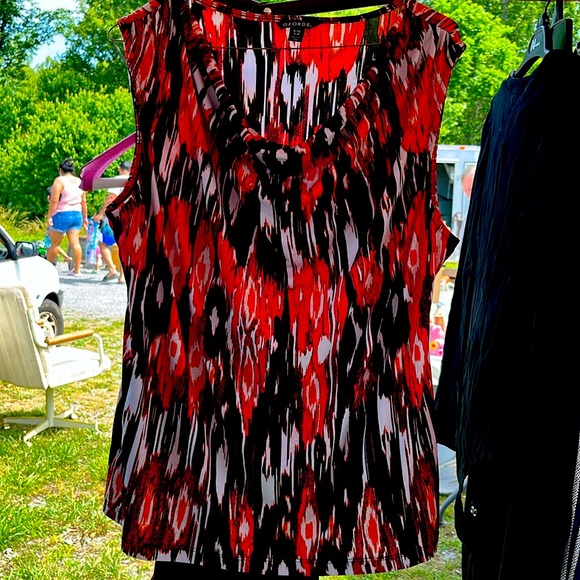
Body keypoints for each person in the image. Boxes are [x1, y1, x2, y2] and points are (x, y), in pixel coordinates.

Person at [46, 158, 88, 275]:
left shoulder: (59, 180)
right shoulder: (80, 181)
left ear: (61, 170)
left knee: (55, 244)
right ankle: (77, 270)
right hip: (77, 214)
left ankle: (47, 269)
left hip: (62, 214)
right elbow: (84, 202)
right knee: (75, 243)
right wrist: (85, 217)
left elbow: (54, 200)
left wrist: (50, 216)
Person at [93, 160, 130, 284]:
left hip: (114, 216)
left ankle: (112, 269)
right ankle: (122, 276)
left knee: (102, 242)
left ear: (120, 169)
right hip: (129, 216)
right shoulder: (134, 180)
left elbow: (111, 198)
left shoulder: (117, 179)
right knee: (123, 246)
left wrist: (101, 213)